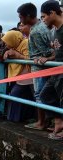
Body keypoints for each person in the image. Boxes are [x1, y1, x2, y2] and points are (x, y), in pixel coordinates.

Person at [18, 2, 55, 130]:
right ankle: (47, 122)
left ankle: (41, 122)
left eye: (21, 17)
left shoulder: (36, 31)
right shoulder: (41, 26)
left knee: (39, 95)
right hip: (43, 68)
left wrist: (47, 58)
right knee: (45, 95)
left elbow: (47, 52)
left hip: (40, 69)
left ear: (28, 16)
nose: (20, 20)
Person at [40, 0, 63, 140]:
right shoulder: (54, 31)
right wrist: (48, 59)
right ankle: (59, 122)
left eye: (44, 16)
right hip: (56, 70)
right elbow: (58, 51)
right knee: (45, 95)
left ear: (52, 13)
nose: (43, 20)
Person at [2, 30, 35, 122]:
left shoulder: (25, 43)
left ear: (13, 39)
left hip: (28, 75)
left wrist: (17, 55)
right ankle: (16, 118)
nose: (6, 45)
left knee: (16, 94)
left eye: (7, 42)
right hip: (22, 76)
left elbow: (29, 58)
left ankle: (15, 119)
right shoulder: (14, 46)